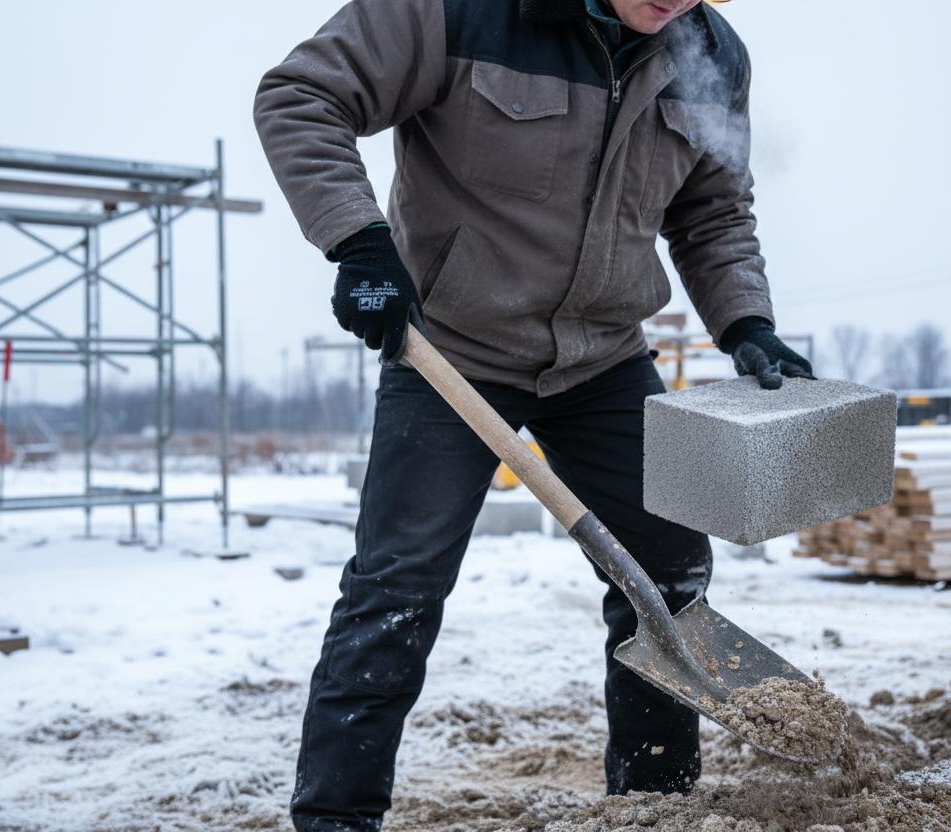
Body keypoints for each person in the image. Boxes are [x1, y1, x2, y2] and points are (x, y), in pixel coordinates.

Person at [254, 0, 813, 828]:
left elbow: (714, 211)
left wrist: (747, 323)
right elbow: (302, 95)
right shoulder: (459, 10)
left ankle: (652, 807)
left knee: (667, 576)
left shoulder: (711, 54)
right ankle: (336, 819)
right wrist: (358, 241)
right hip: (452, 350)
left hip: (602, 358)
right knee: (396, 588)